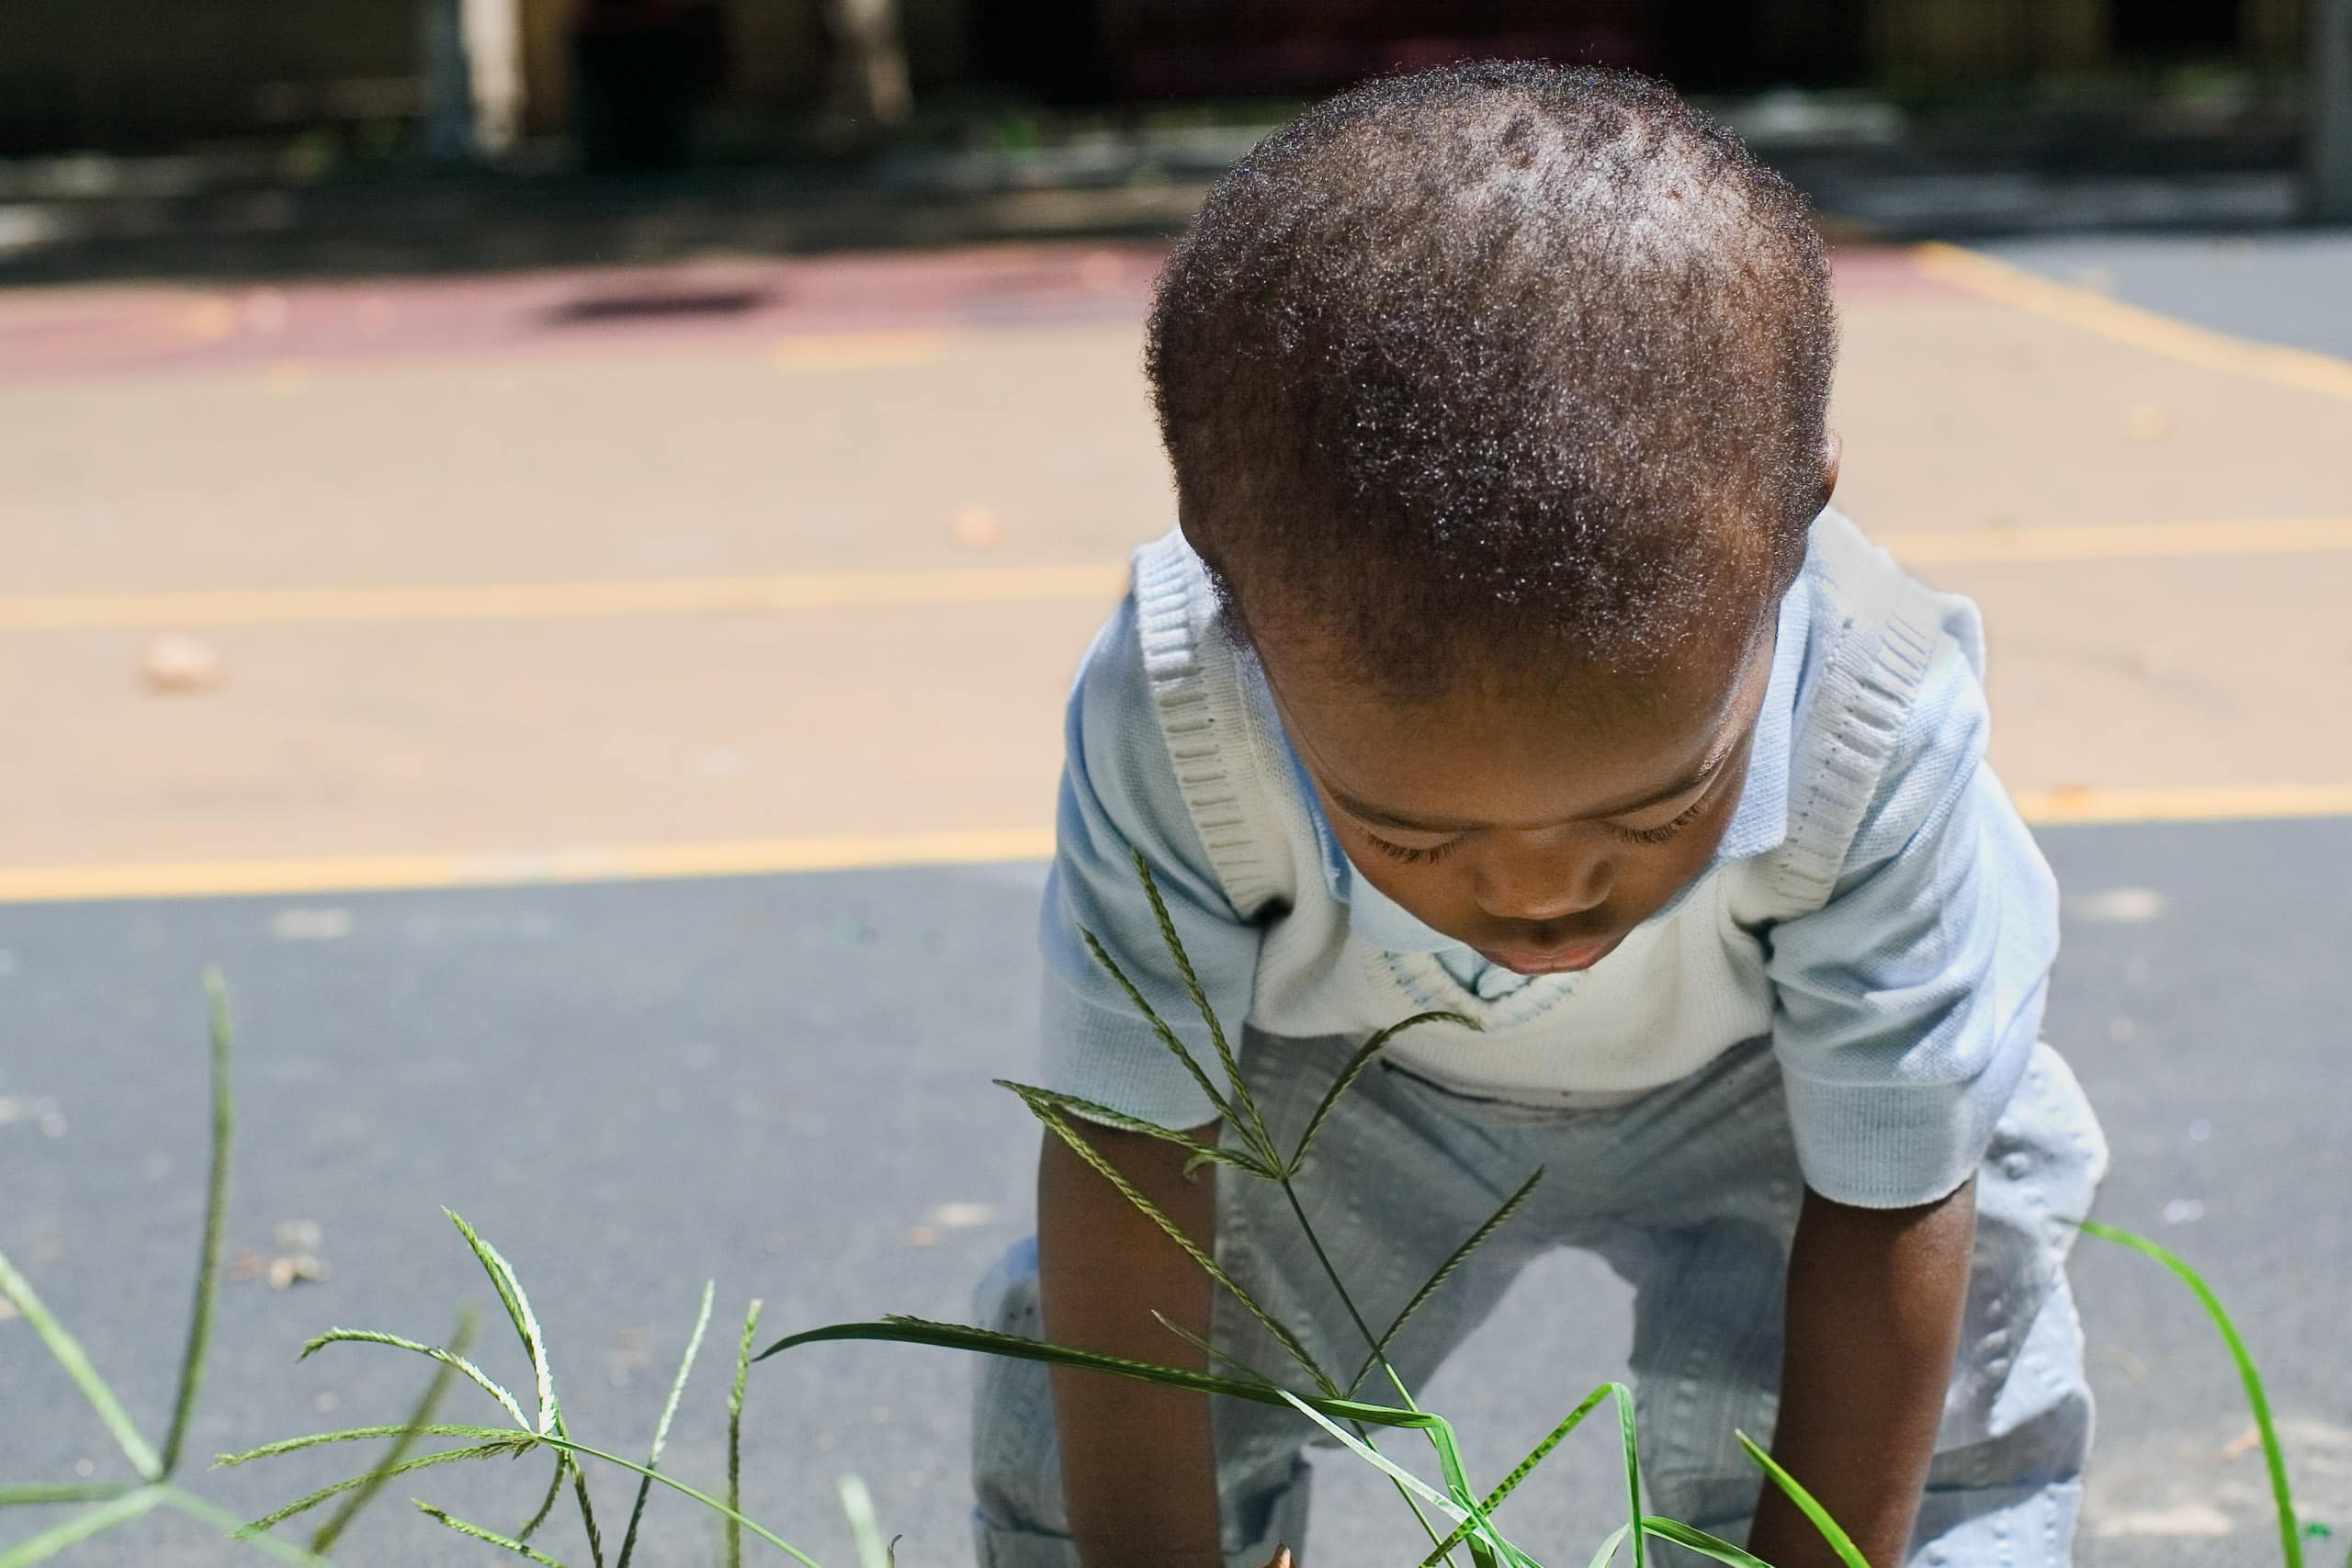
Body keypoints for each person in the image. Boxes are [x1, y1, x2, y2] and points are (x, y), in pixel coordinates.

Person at [970, 62, 2107, 1568]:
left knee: (1950, 1423)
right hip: (1342, 1092)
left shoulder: (1876, 715)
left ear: (1796, 524)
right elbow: (1131, 1158)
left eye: (1654, 808)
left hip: (1775, 1091)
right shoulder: (1179, 707)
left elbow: (1894, 1189)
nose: (1543, 898)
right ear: (1236, 589)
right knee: (1095, 1403)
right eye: (1413, 835)